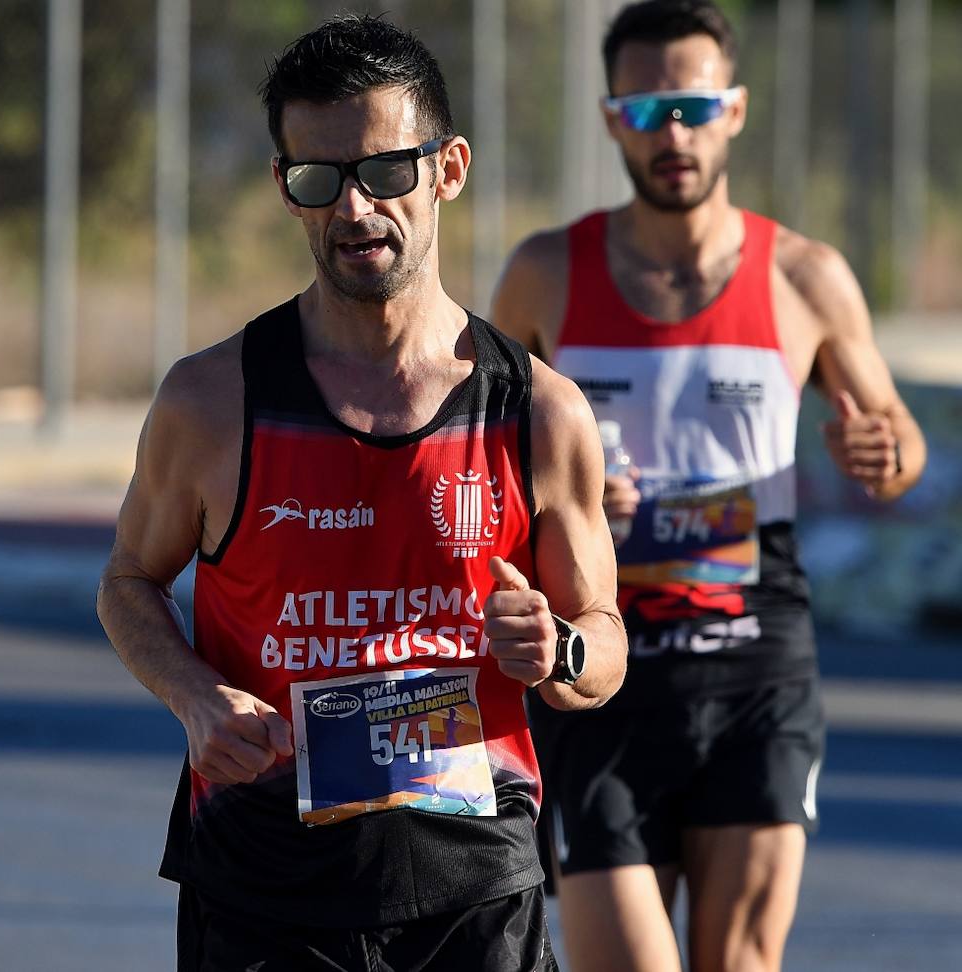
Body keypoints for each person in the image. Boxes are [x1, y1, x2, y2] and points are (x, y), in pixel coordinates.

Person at [98, 14, 627, 971]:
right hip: (262, 877)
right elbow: (128, 580)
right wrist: (195, 698)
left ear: (447, 169)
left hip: (475, 883)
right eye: (319, 179)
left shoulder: (536, 412)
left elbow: (604, 643)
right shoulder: (214, 400)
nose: (355, 210)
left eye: (386, 172)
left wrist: (561, 647)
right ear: (285, 190)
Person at [490, 2, 927, 971]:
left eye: (691, 106)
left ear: (733, 109)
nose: (672, 134)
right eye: (645, 110)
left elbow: (897, 443)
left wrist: (880, 454)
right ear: (611, 120)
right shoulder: (546, 272)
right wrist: (556, 501)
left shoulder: (808, 277)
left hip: (754, 661)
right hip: (597, 664)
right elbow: (476, 453)